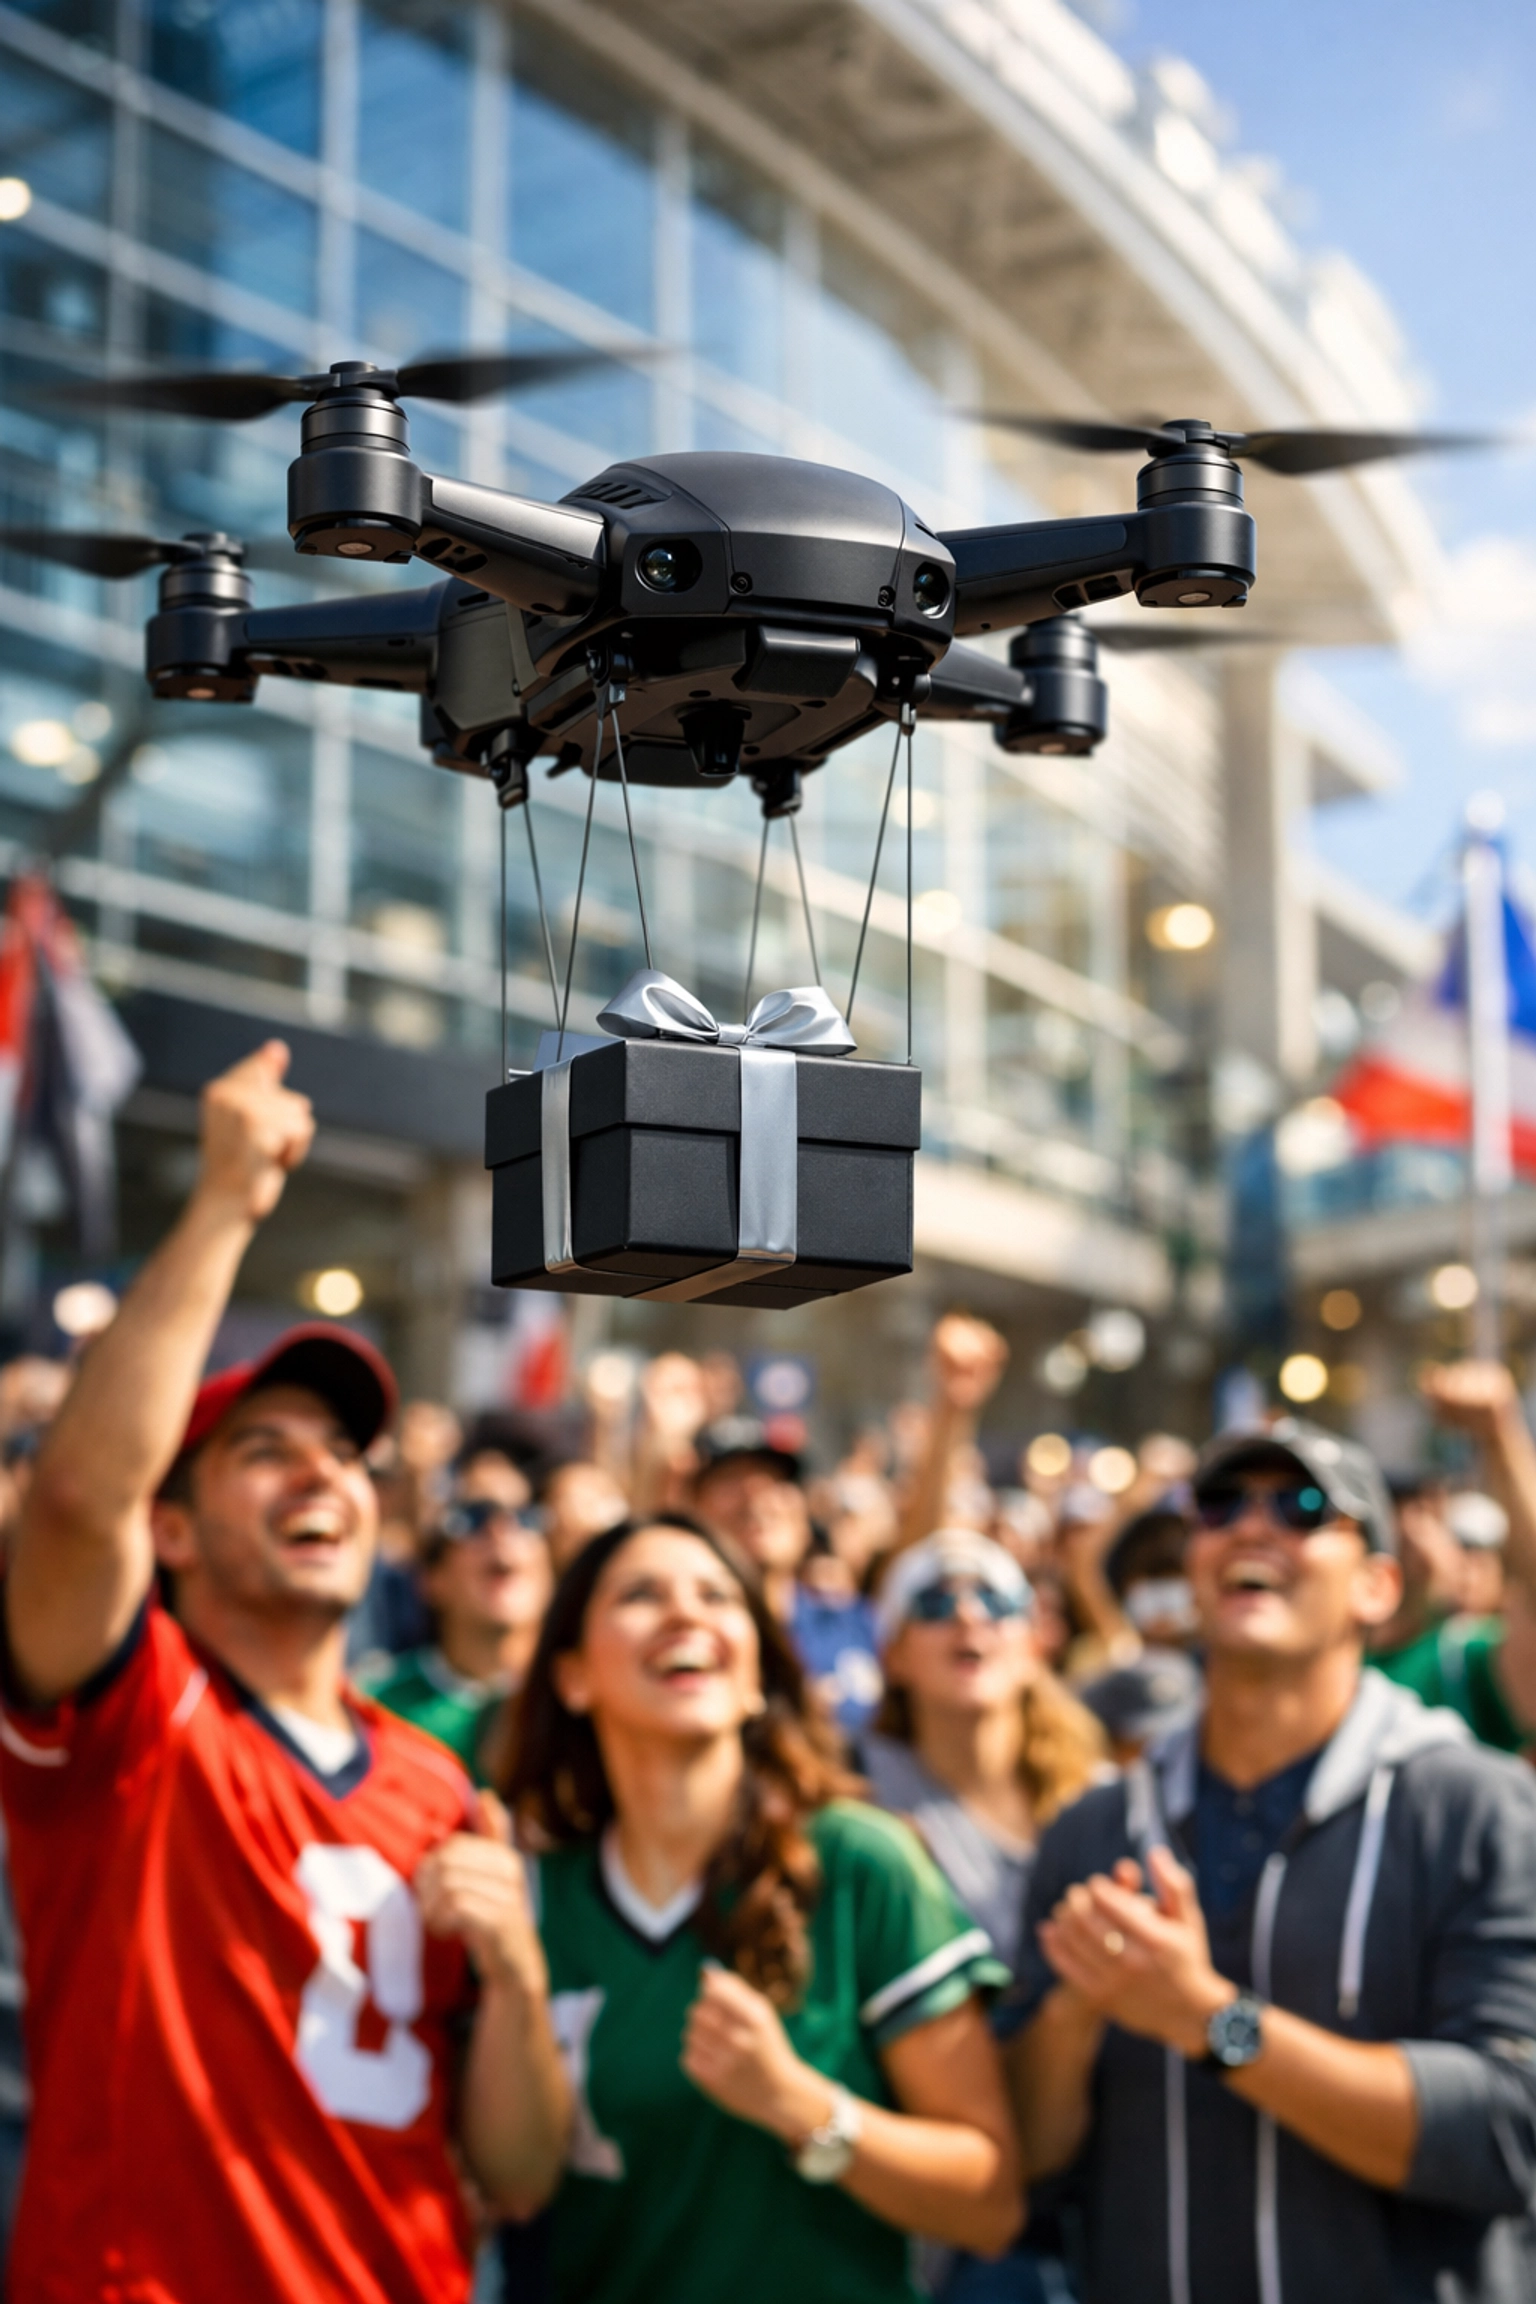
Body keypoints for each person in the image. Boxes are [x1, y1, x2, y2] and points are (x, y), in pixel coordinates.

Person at [2, 1042, 570, 2303]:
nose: (322, 1472)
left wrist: (517, 1973)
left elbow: (521, 2172)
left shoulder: (437, 1784)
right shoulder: (134, 1713)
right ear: (171, 1529)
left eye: (346, 1454)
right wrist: (226, 1202)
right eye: (265, 1449)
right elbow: (79, 1503)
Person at [1006, 1416, 1536, 2304]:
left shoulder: (1478, 1808)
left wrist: (1211, 2021)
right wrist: (1074, 2010)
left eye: (1302, 1507)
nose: (1253, 1527)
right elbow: (1025, 2159)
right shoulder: (1096, 1829)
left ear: (1377, 1585)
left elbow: (1508, 2132)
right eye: (1220, 1505)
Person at [501, 1514, 1022, 2304]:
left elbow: (989, 2205)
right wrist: (507, 1974)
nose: (686, 1615)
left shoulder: (860, 1863)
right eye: (641, 1595)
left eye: (717, 1596)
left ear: (754, 1676)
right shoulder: (533, 1900)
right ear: (571, 1676)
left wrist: (803, 2108)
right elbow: (509, 2185)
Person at [863, 1531, 1105, 2304]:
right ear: (893, 1653)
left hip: (1100, 2212)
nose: (970, 1618)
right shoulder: (853, 1798)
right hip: (940, 2234)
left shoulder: (1108, 1802)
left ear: (1034, 1640)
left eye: (997, 1603)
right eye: (935, 1604)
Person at [694, 1421, 884, 1738]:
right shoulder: (688, 1637)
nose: (756, 1495)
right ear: (691, 1508)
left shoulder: (860, 1623)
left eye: (777, 1480)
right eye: (729, 1479)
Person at [363, 1495, 554, 1778]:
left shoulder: (582, 1701)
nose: (500, 1531)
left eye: (526, 1521)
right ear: (432, 1581)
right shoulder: (373, 1704)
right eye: (473, 1522)